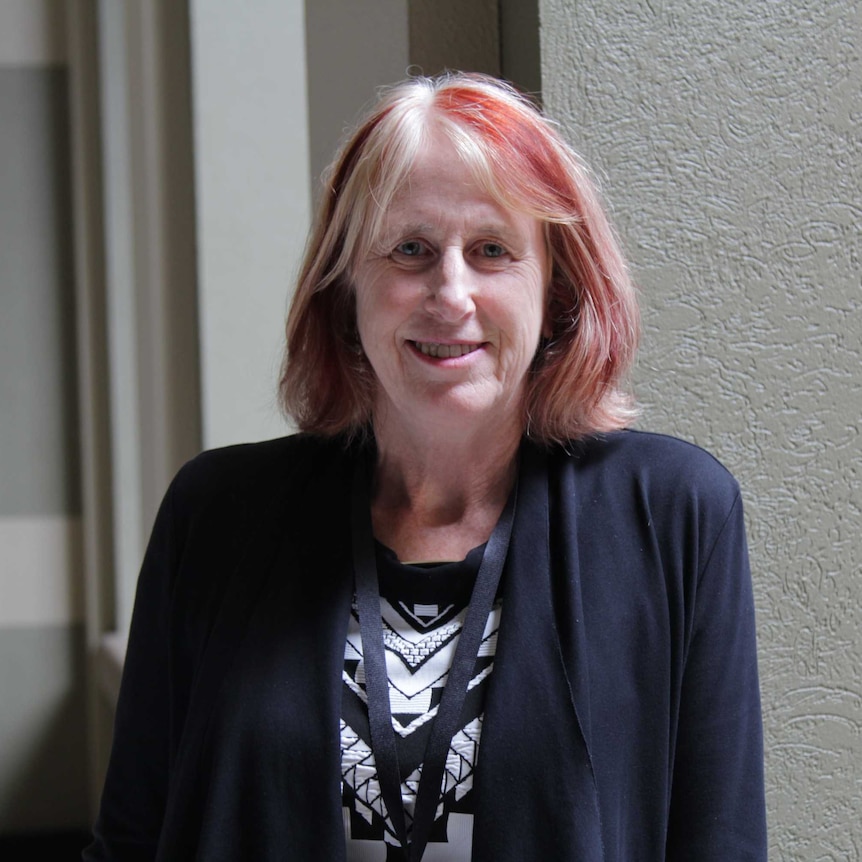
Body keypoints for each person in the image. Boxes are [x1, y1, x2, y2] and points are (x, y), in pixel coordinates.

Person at [84, 73, 766, 861]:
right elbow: (131, 842)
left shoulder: (672, 515)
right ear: (346, 292)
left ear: (558, 291)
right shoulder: (216, 515)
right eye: (410, 249)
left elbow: (722, 844)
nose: (451, 293)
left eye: (491, 251)